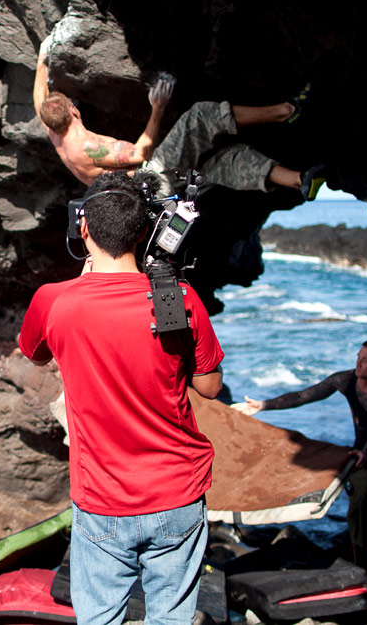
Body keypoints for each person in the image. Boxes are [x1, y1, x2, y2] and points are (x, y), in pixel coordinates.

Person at [19, 170, 225, 625]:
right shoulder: (179, 299)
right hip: (177, 491)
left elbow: (36, 355)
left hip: (102, 499)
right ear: (145, 231)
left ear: (84, 227)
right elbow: (210, 386)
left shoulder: (53, 301)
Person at [33, 35, 326, 200]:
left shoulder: (55, 129)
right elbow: (139, 153)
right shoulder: (87, 146)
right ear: (74, 110)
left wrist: (42, 59)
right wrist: (158, 108)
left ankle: (299, 181)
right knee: (199, 117)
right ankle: (286, 111)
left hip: (146, 197)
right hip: (150, 180)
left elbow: (39, 98)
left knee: (219, 165)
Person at [233, 339, 367, 580]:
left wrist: (366, 451)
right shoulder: (346, 380)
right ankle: (359, 567)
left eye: (366, 360)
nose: (359, 363)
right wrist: (263, 405)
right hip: (361, 450)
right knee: (358, 511)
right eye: (358, 357)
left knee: (364, 509)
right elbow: (305, 395)